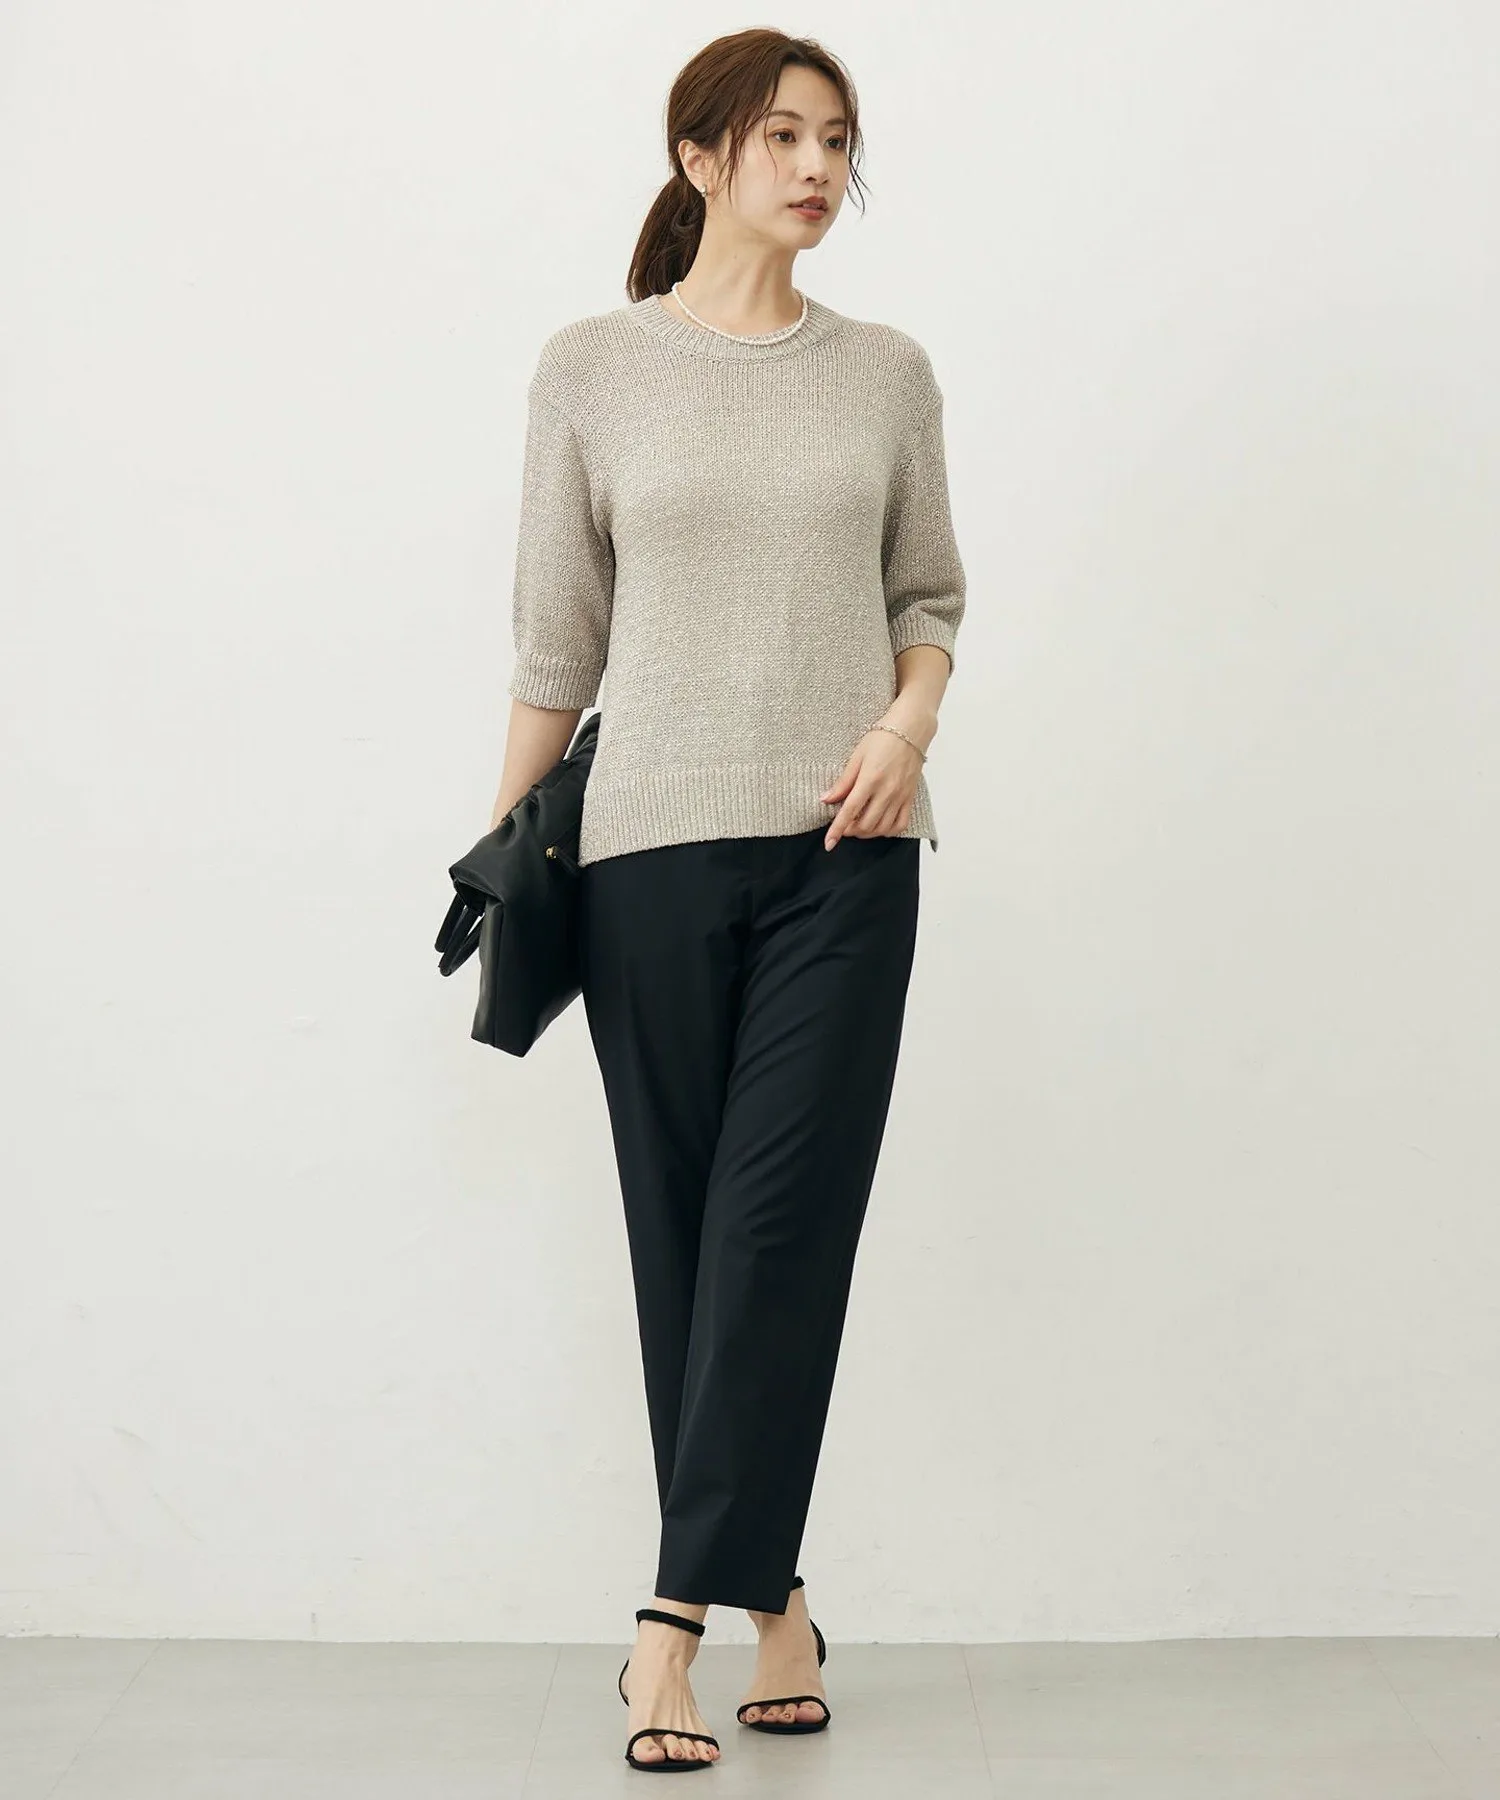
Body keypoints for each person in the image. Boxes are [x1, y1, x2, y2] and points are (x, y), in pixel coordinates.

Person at [487, 27, 967, 1775]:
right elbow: (558, 644)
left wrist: (904, 732)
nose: (820, 167)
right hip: (646, 858)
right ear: (699, 159)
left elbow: (929, 601)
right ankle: (782, 1605)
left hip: (848, 850)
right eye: (783, 137)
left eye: (839, 141)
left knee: (780, 1232)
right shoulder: (591, 371)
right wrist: (503, 854)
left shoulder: (887, 374)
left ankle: (666, 1627)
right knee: (686, 1245)